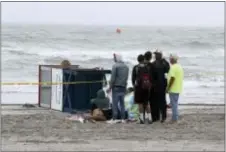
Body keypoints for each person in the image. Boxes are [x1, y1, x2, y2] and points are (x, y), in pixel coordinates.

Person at [107, 53, 129, 124]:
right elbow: (126, 78)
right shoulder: (126, 67)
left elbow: (113, 78)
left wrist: (110, 87)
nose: (114, 59)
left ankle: (114, 118)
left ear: (117, 58)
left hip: (116, 87)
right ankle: (123, 118)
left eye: (114, 57)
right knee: (122, 104)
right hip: (123, 87)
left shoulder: (115, 66)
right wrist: (125, 87)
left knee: (115, 104)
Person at [132, 54, 152, 124]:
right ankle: (150, 118)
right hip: (146, 87)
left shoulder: (135, 68)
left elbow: (133, 79)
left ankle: (141, 119)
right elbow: (150, 78)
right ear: (143, 60)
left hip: (138, 88)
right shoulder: (147, 67)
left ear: (138, 60)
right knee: (147, 103)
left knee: (140, 103)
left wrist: (134, 86)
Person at [151, 50, 170, 123]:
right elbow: (168, 71)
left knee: (159, 101)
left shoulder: (154, 64)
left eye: (156, 54)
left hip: (159, 85)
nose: (155, 56)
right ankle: (162, 116)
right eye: (155, 54)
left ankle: (160, 117)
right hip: (160, 84)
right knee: (161, 101)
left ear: (160, 55)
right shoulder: (164, 63)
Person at [166, 54, 184, 123]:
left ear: (172, 60)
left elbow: (172, 78)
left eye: (170, 59)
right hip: (178, 88)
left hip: (173, 88)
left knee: (173, 104)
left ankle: (174, 119)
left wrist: (168, 87)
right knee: (174, 103)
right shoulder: (179, 67)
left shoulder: (173, 67)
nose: (169, 60)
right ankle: (175, 117)